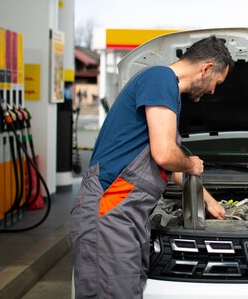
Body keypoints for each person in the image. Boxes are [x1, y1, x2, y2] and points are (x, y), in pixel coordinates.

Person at [70, 36, 234, 299]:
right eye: (218, 82)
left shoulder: (165, 90)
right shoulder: (160, 79)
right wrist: (191, 162)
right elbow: (166, 154)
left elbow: (169, 165)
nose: (213, 91)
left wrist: (208, 201)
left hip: (125, 215)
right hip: (110, 210)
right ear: (205, 68)